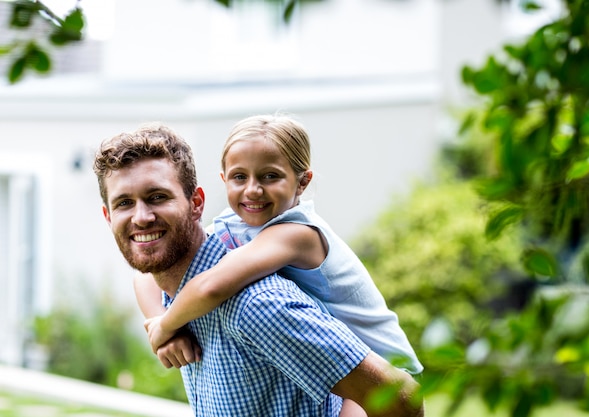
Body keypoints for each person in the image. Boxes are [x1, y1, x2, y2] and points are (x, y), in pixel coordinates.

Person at [93, 123, 424, 417]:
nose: (141, 217)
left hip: (387, 356)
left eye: (157, 196)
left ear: (196, 204)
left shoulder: (258, 305)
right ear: (108, 217)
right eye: (124, 203)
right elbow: (146, 280)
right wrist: (161, 328)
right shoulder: (219, 249)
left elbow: (402, 400)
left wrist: (165, 325)